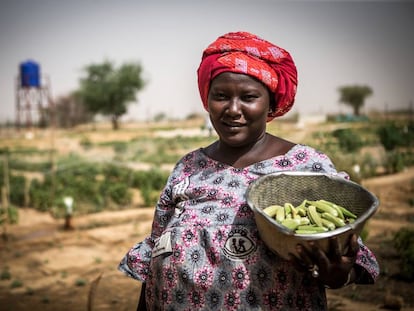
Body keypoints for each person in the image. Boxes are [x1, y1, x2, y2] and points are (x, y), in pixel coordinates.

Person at [118, 31, 379, 310]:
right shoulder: (188, 167)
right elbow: (157, 250)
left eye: (248, 97)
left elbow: (342, 252)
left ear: (270, 104)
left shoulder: (305, 165)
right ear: (208, 100)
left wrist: (339, 275)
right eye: (221, 96)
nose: (232, 109)